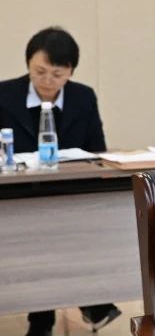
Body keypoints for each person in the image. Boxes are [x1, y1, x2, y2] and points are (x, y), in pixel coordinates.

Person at [0, 27, 121, 336]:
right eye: (39, 72)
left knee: (67, 227)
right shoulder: (5, 95)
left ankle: (59, 314)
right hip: (17, 193)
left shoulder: (83, 97)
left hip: (69, 191)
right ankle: (90, 305)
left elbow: (97, 150)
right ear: (28, 65)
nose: (47, 81)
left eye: (57, 74)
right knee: (40, 232)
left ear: (70, 71)